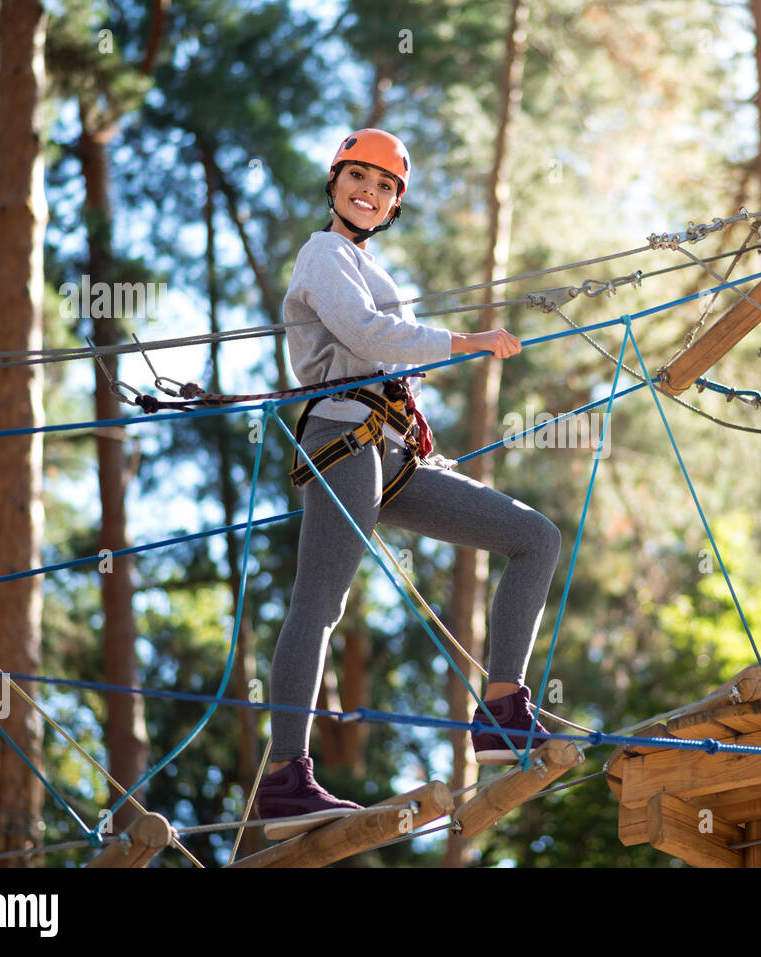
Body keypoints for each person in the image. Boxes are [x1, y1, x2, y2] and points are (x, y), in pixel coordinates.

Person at [255, 129, 562, 839]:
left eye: (384, 184)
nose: (369, 190)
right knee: (320, 601)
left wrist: (431, 452)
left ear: (394, 203)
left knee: (533, 537)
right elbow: (368, 337)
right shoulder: (323, 252)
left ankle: (501, 712)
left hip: (395, 455)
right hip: (342, 438)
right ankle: (284, 777)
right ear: (334, 185)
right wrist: (468, 342)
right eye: (356, 176)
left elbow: (396, 370)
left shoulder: (375, 268)